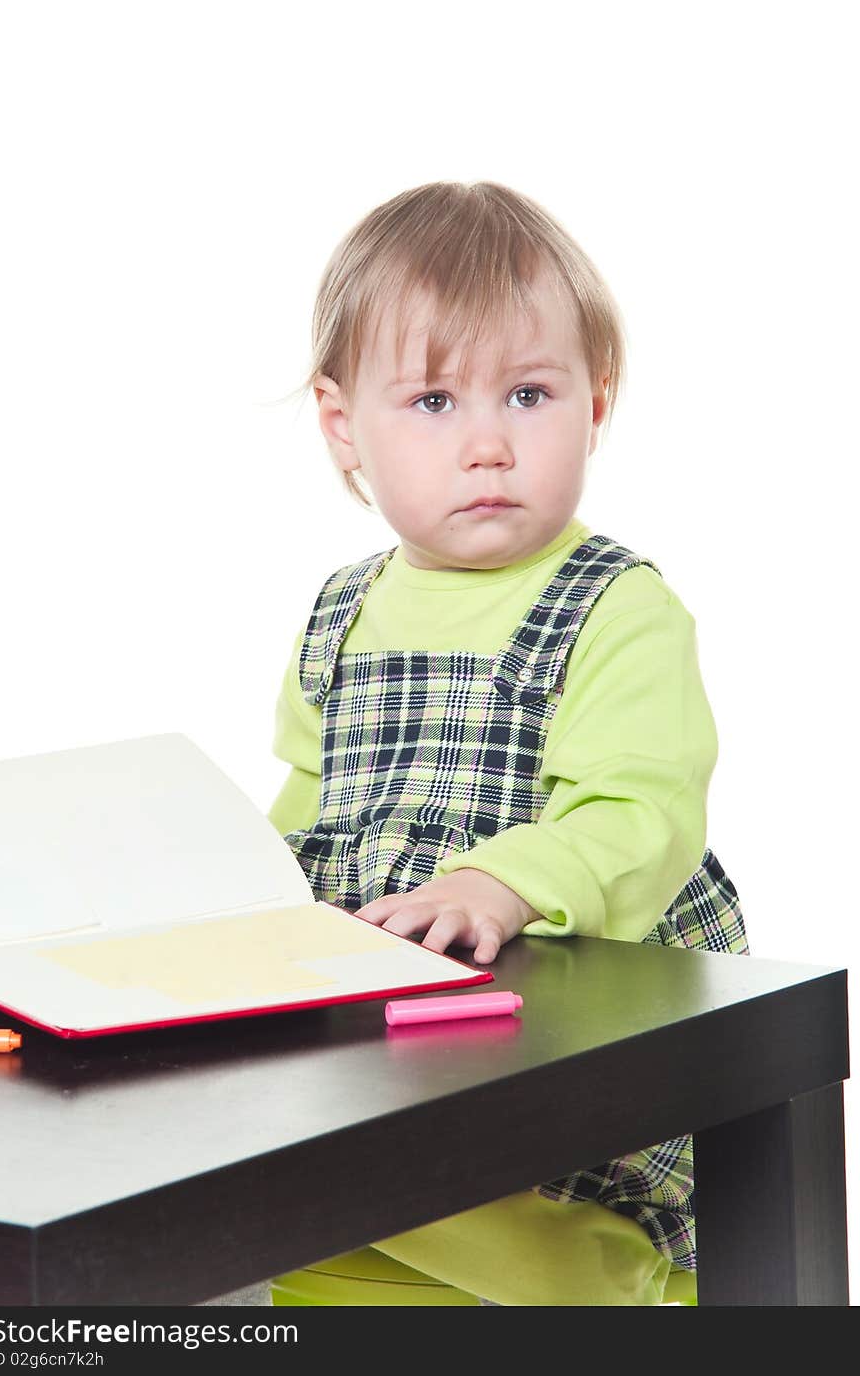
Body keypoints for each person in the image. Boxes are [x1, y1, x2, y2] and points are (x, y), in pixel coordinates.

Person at [266, 180, 748, 1305]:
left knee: (502, 1231)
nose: (487, 445)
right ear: (345, 427)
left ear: (593, 404)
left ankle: (641, 1293)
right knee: (290, 1235)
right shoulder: (340, 613)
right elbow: (309, 809)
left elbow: (640, 810)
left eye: (527, 395)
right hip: (375, 1041)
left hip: (552, 1045)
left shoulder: (614, 605)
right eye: (433, 403)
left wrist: (503, 881)